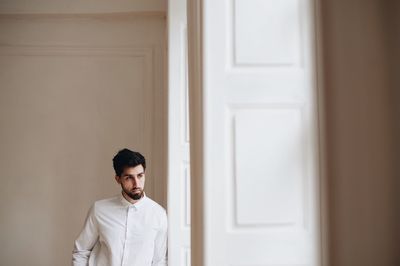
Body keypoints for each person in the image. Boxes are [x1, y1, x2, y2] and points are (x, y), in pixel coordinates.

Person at [72, 148, 167, 266]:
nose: (136, 184)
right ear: (118, 179)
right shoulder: (99, 210)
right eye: (129, 178)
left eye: (140, 176)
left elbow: (159, 261)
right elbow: (81, 250)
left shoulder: (158, 214)